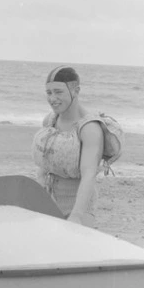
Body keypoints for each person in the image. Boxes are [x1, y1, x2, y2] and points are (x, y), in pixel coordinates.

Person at [32, 65, 123, 226]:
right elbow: (47, 155)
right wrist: (40, 183)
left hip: (79, 203)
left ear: (76, 91)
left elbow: (89, 175)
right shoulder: (50, 120)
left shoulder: (89, 129)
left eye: (58, 92)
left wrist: (77, 215)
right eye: (49, 92)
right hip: (51, 198)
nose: (52, 98)